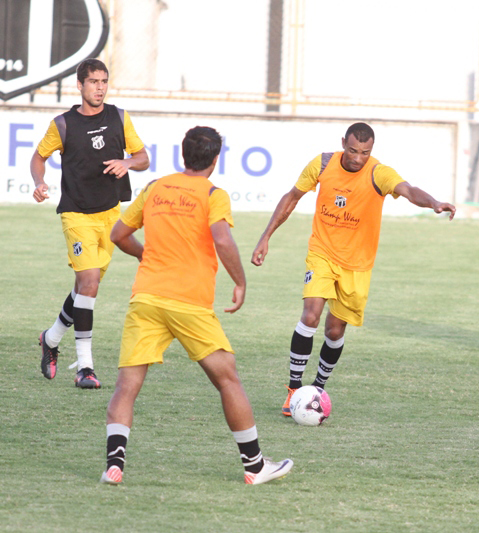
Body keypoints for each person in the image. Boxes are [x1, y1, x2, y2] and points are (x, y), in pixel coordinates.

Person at [103, 126, 292, 485]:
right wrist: (240, 281)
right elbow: (222, 237)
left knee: (126, 385)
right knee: (227, 379)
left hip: (145, 297)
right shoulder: (212, 194)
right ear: (216, 159)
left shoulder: (156, 186)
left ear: (182, 154)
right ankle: (254, 466)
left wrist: (148, 257)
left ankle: (114, 464)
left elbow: (117, 234)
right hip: (189, 302)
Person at [251, 122, 456, 415]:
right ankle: (294, 389)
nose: (357, 158)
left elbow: (408, 190)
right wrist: (265, 236)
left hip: (358, 266)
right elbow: (292, 197)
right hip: (321, 253)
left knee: (334, 332)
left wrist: (433, 202)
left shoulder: (378, 172)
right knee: (310, 314)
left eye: (364, 152)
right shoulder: (323, 163)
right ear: (342, 143)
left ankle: (318, 387)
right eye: (352, 150)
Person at [31, 58, 150, 389]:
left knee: (86, 287)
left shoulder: (119, 117)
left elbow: (143, 158)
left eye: (104, 81)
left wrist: (127, 162)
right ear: (80, 85)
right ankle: (85, 367)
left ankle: (50, 339)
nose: (99, 87)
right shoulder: (63, 124)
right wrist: (39, 182)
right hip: (76, 213)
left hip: (110, 215)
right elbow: (38, 158)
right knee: (89, 284)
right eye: (94, 81)